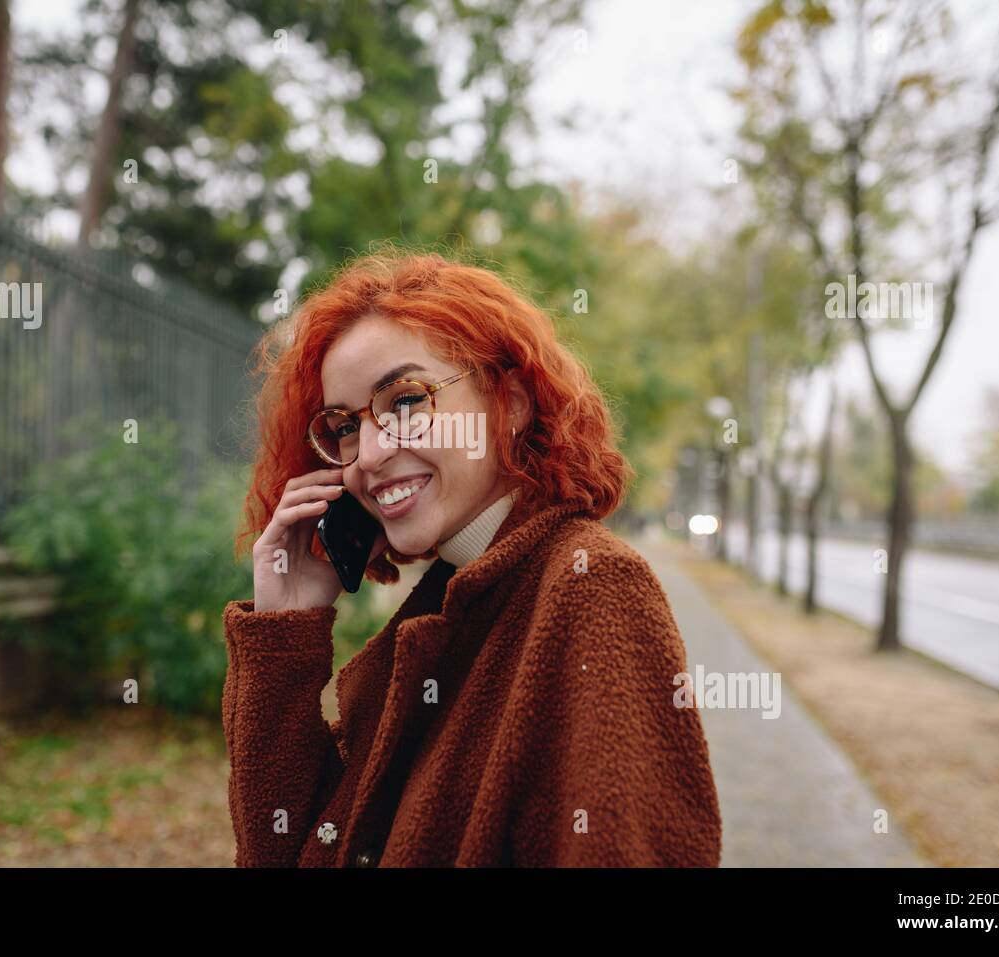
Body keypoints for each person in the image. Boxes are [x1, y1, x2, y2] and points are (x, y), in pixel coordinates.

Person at [224, 248, 722, 867]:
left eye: (405, 401)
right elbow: (288, 851)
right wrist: (286, 633)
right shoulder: (455, 597)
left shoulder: (589, 587)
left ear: (509, 404)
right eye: (344, 426)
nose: (370, 453)